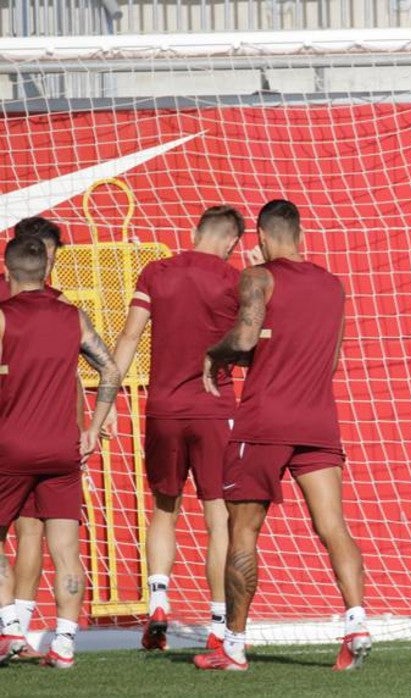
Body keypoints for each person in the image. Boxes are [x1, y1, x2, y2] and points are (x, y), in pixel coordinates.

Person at [194, 199, 369, 671]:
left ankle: (233, 646)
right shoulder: (333, 285)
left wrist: (214, 354)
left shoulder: (257, 277)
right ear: (301, 236)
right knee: (333, 526)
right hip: (318, 419)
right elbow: (332, 359)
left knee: (243, 530)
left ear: (261, 238)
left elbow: (244, 339)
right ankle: (357, 624)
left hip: (265, 420)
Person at [110, 206, 244, 650]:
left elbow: (129, 337)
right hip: (213, 409)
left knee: (164, 509)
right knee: (219, 518)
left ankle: (158, 603)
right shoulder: (235, 280)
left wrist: (106, 401)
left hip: (163, 409)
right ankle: (219, 625)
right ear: (232, 242)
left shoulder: (156, 272)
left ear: (195, 231)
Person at [0, 236, 121, 668]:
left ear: (7, 270)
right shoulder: (73, 317)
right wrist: (94, 426)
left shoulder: (3, 317)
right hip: (62, 449)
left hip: (10, 448)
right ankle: (65, 644)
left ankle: (10, 628)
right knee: (67, 549)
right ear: (47, 271)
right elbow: (110, 369)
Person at [2, 216, 76, 660]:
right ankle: (32, 633)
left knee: (31, 531)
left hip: (21, 438)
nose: (46, 261)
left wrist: (87, 420)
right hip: (39, 438)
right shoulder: (50, 309)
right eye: (43, 253)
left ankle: (17, 628)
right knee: (50, 539)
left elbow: (69, 374)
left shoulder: (58, 305)